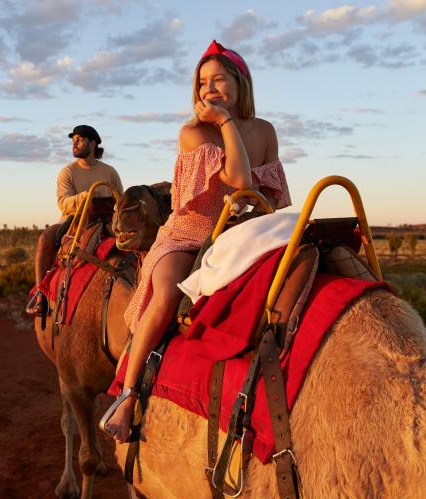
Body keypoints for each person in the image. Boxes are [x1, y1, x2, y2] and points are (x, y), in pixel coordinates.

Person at [101, 40, 291, 443]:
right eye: (203, 82)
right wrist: (224, 122)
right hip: (190, 235)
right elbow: (239, 180)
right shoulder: (193, 132)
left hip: (240, 234)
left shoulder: (265, 131)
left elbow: (275, 198)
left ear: (241, 83)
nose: (210, 89)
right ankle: (128, 394)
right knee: (167, 294)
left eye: (219, 80)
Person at [27, 124, 124, 315]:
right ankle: (41, 296)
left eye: (79, 140)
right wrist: (87, 197)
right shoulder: (68, 172)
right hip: (73, 220)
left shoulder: (110, 172)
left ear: (93, 143)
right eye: (73, 141)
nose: (74, 144)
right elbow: (63, 203)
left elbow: (120, 199)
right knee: (45, 238)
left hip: (106, 219)